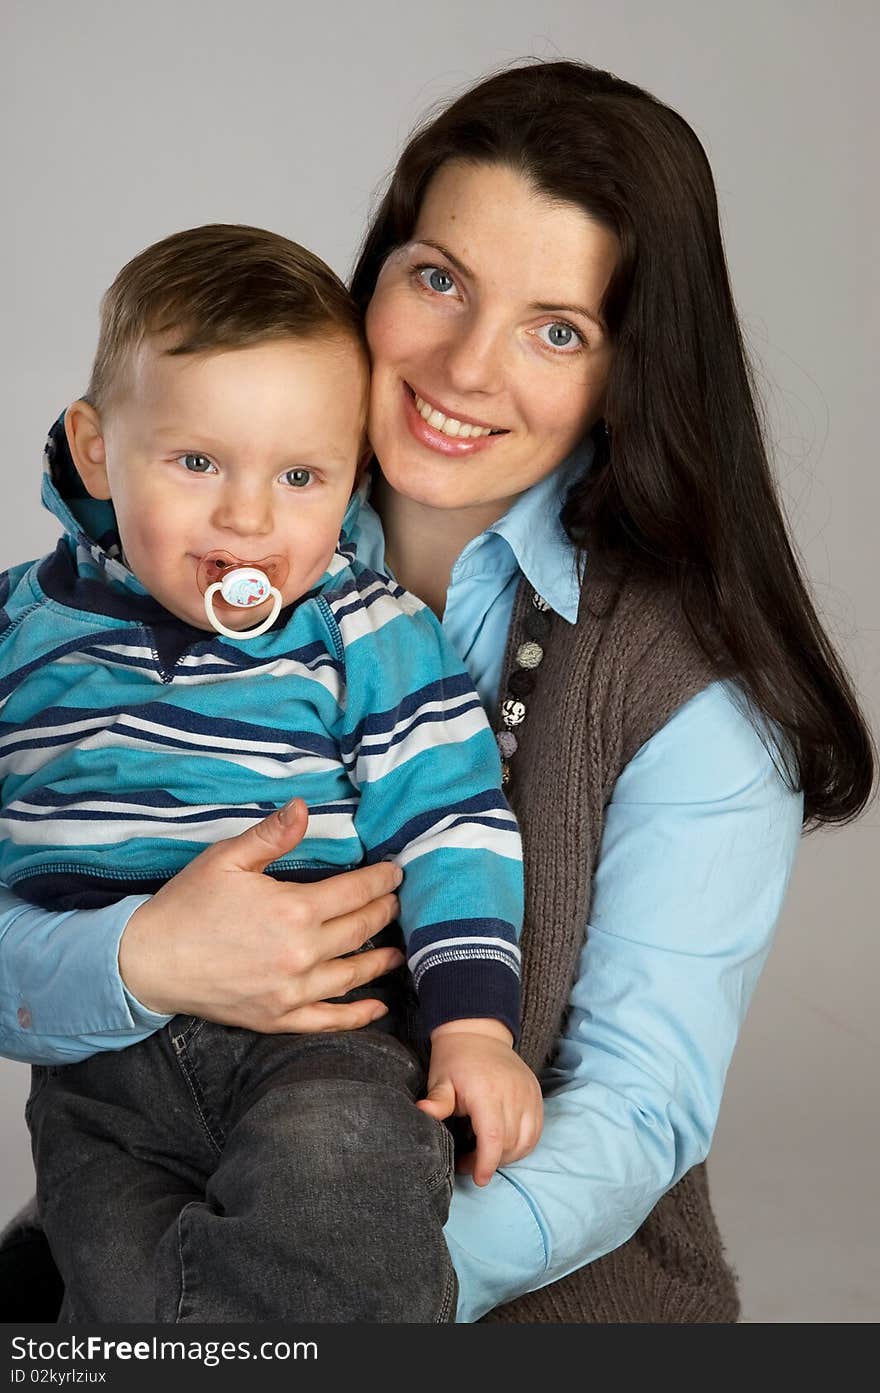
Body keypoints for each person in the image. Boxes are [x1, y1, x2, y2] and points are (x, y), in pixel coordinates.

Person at [0, 59, 875, 1324]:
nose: (467, 365)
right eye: (441, 280)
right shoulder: (194, 537)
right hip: (141, 1194)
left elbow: (635, 1112)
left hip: (492, 1284)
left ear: (626, 371)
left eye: (555, 328)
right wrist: (139, 955)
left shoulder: (689, 695)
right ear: (378, 277)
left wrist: (321, 1292)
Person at [0, 223, 540, 1322]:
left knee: (349, 1198)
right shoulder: (20, 630)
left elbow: (451, 822)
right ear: (99, 450)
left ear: (351, 479)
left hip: (320, 1043)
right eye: (196, 462)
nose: (247, 517)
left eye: (299, 475)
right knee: (117, 1291)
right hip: (100, 1072)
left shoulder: (366, 630)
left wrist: (473, 1024)